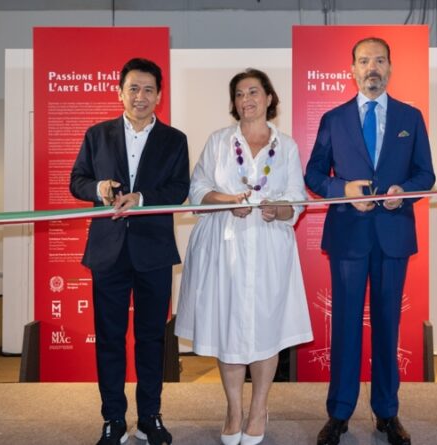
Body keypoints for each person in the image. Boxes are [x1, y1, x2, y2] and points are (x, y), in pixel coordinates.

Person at [305, 36, 435, 445]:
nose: (372, 68)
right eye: (364, 61)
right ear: (353, 70)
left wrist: (404, 193)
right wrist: (341, 190)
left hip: (393, 236)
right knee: (344, 326)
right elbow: (313, 174)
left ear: (390, 68)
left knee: (387, 326)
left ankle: (387, 413)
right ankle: (339, 413)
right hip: (348, 236)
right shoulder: (334, 118)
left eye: (379, 60)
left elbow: (425, 174)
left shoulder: (410, 117)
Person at [174, 68, 313, 445]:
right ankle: (234, 409)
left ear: (269, 98)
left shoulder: (286, 146)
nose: (246, 99)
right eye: (239, 94)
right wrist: (225, 201)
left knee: (266, 328)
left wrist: (278, 210)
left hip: (269, 248)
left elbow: (297, 199)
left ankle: (258, 409)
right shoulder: (219, 141)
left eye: (253, 92)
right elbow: (198, 189)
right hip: (224, 248)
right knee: (229, 328)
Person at [70, 57, 190, 445]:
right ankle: (113, 418)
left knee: (152, 338)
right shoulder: (97, 135)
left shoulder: (174, 140)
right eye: (133, 88)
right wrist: (99, 189)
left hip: (154, 251)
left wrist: (142, 198)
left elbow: (179, 189)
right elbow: (77, 180)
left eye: (148, 89)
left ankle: (149, 417)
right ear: (120, 92)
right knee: (109, 338)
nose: (141, 96)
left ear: (159, 95)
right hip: (108, 251)